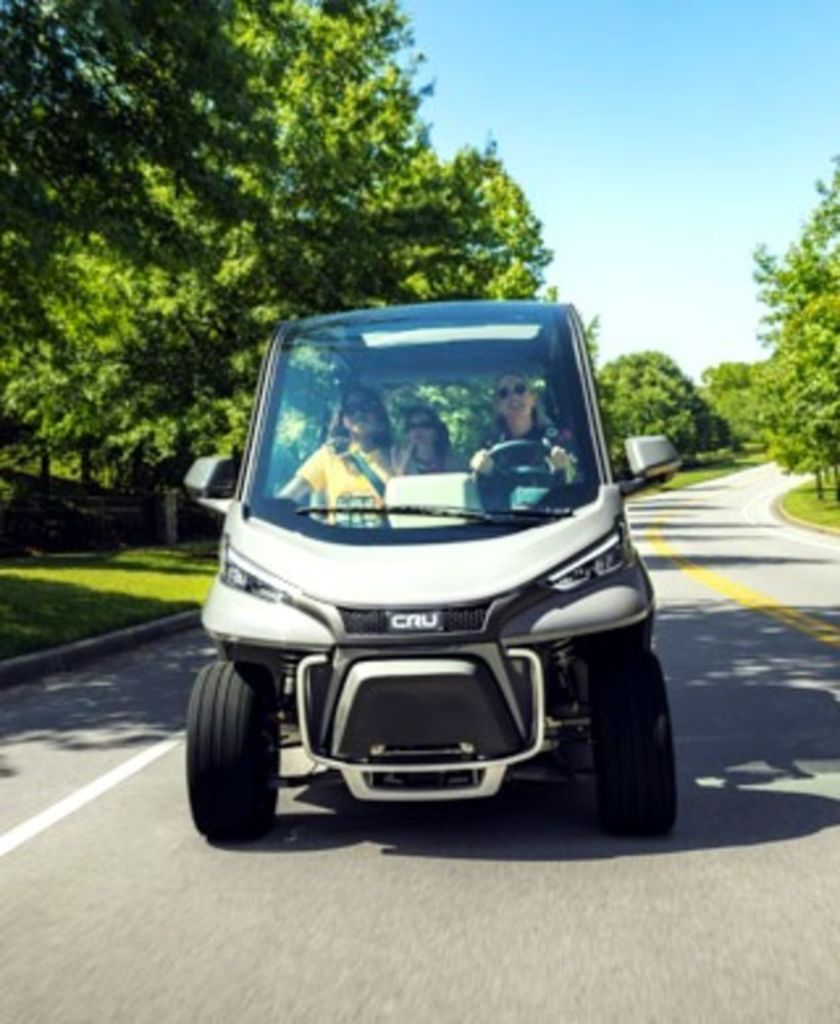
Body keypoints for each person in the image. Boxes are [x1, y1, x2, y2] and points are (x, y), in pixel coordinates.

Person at [280, 386, 393, 526]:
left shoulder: (396, 455)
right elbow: (286, 499)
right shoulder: (329, 455)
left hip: (386, 539)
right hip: (337, 539)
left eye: (367, 406)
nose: (359, 413)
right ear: (343, 418)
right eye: (351, 408)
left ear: (379, 414)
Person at [469, 372, 577, 481]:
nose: (513, 397)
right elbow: (476, 484)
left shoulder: (556, 439)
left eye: (520, 390)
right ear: (497, 406)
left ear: (533, 399)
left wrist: (566, 468)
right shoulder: (489, 446)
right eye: (503, 393)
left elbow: (576, 478)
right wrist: (480, 468)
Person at [392, 404, 460, 475]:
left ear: (436, 430)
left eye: (425, 425)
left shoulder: (451, 460)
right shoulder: (398, 458)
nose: (417, 430)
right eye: (412, 426)